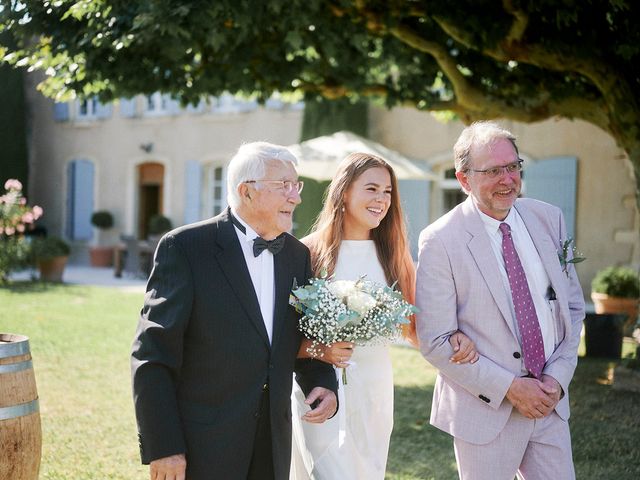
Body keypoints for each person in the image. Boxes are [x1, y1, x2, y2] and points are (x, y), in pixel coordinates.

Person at [131, 142, 339, 480]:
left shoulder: (297, 256)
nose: (296, 197)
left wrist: (323, 382)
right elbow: (153, 356)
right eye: (284, 185)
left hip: (273, 440)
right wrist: (164, 446)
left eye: (295, 185)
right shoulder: (185, 248)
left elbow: (299, 336)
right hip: (203, 443)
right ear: (248, 192)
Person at [290, 152, 478, 480]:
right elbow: (282, 335)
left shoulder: (394, 256)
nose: (382, 199)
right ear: (344, 192)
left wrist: (455, 340)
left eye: (388, 191)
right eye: (372, 189)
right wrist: (323, 351)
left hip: (375, 391)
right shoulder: (307, 253)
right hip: (319, 390)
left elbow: (419, 329)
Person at [416, 121, 585, 480]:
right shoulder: (440, 241)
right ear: (464, 180)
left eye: (513, 167)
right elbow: (435, 342)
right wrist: (511, 387)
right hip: (485, 412)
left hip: (549, 403)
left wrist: (556, 379)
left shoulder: (548, 218)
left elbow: (571, 309)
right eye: (493, 171)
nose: (507, 179)